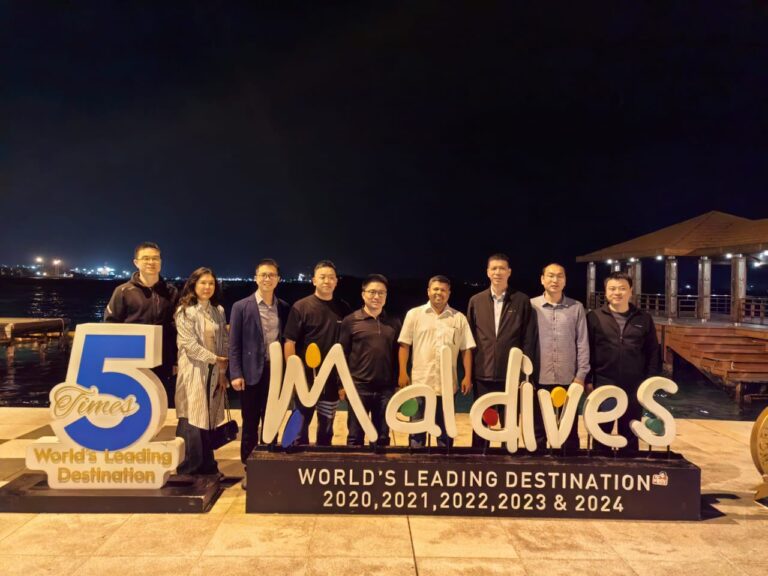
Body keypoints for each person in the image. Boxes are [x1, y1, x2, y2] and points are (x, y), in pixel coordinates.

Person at [466, 254, 537, 449]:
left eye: (502, 268)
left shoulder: (521, 300)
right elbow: (469, 340)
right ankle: (479, 455)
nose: (498, 272)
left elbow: (528, 339)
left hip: (511, 374)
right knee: (482, 421)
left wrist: (524, 374)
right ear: (488, 272)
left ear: (509, 272)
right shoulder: (476, 301)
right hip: (483, 373)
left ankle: (509, 456)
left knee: (510, 421)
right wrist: (469, 373)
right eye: (494, 268)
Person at [398, 275, 475, 448]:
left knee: (445, 432)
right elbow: (404, 345)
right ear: (428, 291)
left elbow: (466, 349)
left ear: (449, 293)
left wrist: (467, 376)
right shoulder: (414, 314)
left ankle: (444, 463)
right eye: (435, 289)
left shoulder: (459, 318)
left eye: (443, 290)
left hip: (447, 386)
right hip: (420, 383)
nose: (439, 293)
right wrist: (402, 372)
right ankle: (416, 462)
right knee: (417, 432)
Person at [587, 271, 660, 452]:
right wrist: (588, 380)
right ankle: (600, 464)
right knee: (601, 432)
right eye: (612, 289)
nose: (617, 293)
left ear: (630, 291)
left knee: (630, 432)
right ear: (606, 292)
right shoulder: (594, 317)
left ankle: (629, 466)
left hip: (634, 386)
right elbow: (587, 350)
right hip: (604, 384)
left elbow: (652, 351)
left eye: (622, 288)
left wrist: (650, 382)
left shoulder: (643, 318)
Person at [229, 259, 290, 475]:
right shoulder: (241, 307)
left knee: (272, 419)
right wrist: (235, 373)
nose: (267, 279)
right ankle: (250, 467)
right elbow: (234, 344)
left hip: (275, 373)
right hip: (250, 373)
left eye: (271, 275)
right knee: (250, 422)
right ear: (256, 278)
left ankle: (270, 460)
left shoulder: (284, 307)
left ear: (278, 279)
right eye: (263, 275)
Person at [284, 260, 351, 445]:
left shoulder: (343, 308)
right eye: (322, 277)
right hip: (305, 379)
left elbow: (347, 347)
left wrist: (344, 382)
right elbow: (289, 342)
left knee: (326, 430)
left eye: (331, 277)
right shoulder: (301, 307)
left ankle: (322, 458)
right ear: (314, 280)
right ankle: (297, 458)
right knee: (299, 430)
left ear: (336, 281)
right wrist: (293, 377)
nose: (327, 281)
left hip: (332, 381)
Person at [104, 242, 179, 400]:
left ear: (160, 262)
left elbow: (176, 328)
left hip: (162, 359)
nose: (151, 262)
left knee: (160, 401)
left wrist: (175, 360)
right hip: (131, 359)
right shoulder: (123, 291)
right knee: (130, 401)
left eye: (155, 258)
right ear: (136, 262)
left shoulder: (171, 292)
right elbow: (111, 326)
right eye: (146, 258)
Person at [174, 267, 229, 475]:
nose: (207, 287)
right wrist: (215, 359)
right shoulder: (185, 311)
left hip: (214, 371)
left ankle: (208, 465)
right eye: (203, 283)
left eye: (211, 283)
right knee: (191, 417)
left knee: (208, 417)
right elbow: (189, 345)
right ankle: (189, 468)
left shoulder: (218, 311)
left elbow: (223, 341)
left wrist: (222, 372)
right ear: (193, 285)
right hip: (194, 370)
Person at [531, 263, 590, 451]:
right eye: (550, 275)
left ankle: (569, 461)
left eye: (559, 276)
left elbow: (582, 342)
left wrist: (581, 376)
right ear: (542, 279)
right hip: (539, 377)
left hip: (569, 378)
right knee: (538, 426)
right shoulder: (531, 306)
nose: (555, 280)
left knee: (569, 428)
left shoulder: (576, 307)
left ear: (565, 280)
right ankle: (538, 461)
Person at [339, 274, 401, 447]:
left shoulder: (394, 322)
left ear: (386, 296)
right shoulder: (350, 321)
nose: (376, 296)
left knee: (382, 437)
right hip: (358, 387)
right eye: (372, 292)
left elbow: (398, 355)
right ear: (363, 294)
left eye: (381, 293)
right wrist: (341, 385)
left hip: (385, 389)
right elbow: (342, 355)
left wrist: (397, 383)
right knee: (355, 437)